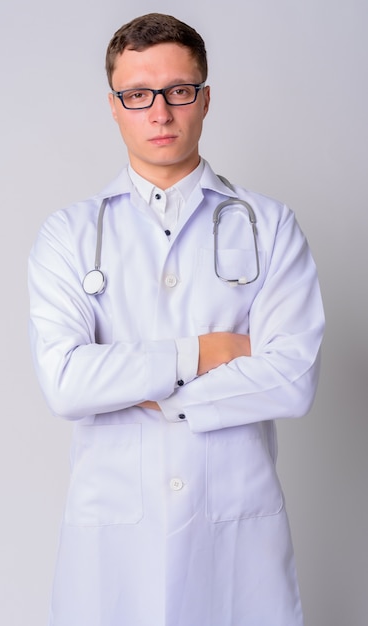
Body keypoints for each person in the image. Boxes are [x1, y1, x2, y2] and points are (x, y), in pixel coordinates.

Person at [28, 12, 324, 626]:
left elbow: (292, 380)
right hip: (115, 538)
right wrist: (205, 352)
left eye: (178, 91)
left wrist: (149, 391)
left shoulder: (269, 227)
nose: (159, 113)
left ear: (205, 99)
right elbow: (67, 383)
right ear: (114, 106)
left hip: (234, 531)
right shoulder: (70, 234)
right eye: (137, 95)